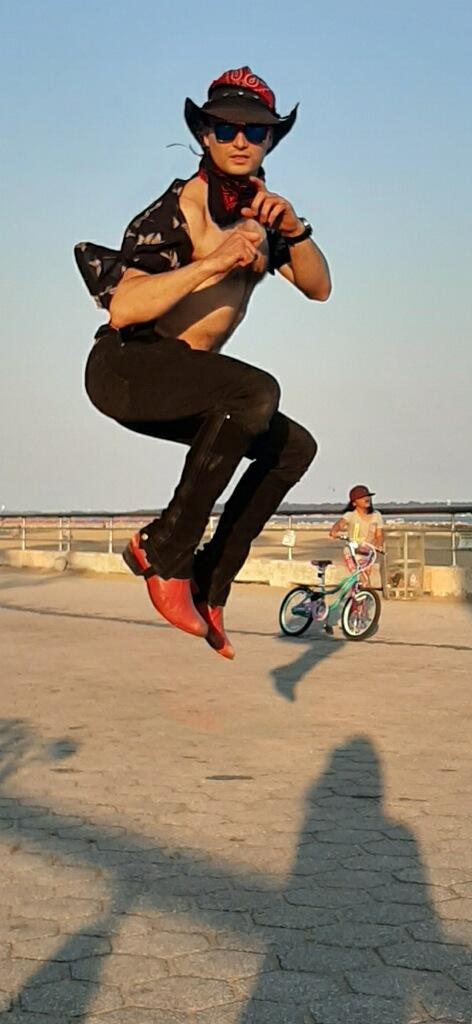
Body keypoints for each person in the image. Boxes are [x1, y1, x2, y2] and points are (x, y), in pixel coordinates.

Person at [74, 66, 331, 660]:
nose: (241, 140)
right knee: (256, 391)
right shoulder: (178, 207)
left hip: (188, 382)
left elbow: (319, 287)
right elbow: (124, 308)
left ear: (272, 141)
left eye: (257, 131)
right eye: (225, 127)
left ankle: (211, 582)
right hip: (127, 369)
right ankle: (163, 548)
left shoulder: (267, 216)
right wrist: (212, 263)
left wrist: (296, 229)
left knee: (293, 447)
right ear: (204, 134)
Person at [330, 484, 384, 578]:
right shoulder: (351, 515)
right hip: (353, 551)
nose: (366, 499)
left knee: (365, 579)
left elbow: (379, 535)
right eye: (362, 497)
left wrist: (379, 545)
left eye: (368, 496)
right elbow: (340, 524)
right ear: (354, 503)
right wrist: (334, 531)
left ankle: (360, 592)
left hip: (369, 552)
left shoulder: (376, 515)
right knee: (360, 577)